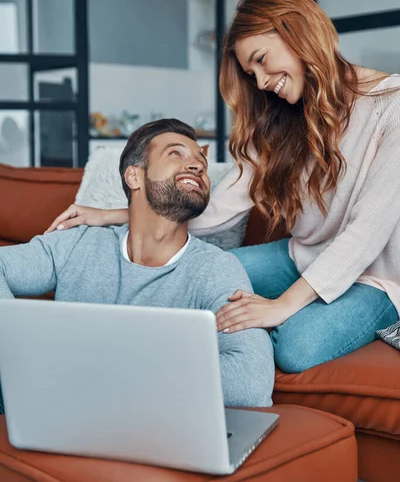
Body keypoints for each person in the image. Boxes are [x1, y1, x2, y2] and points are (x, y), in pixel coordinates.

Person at [47, 0, 400, 374]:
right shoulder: (283, 117)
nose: (263, 82)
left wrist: (281, 306)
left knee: (296, 348)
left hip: (375, 278)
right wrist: (116, 215)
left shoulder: (391, 105)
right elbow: (218, 209)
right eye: (253, 74)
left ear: (297, 32)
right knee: (184, 276)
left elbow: (367, 232)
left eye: (262, 61)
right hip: (303, 255)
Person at [0, 119, 275, 413]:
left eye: (201, 162)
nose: (197, 165)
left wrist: (110, 374)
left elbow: (252, 383)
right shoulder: (78, 243)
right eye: (176, 153)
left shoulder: (216, 269)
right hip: (49, 412)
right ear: (134, 176)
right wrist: (17, 355)